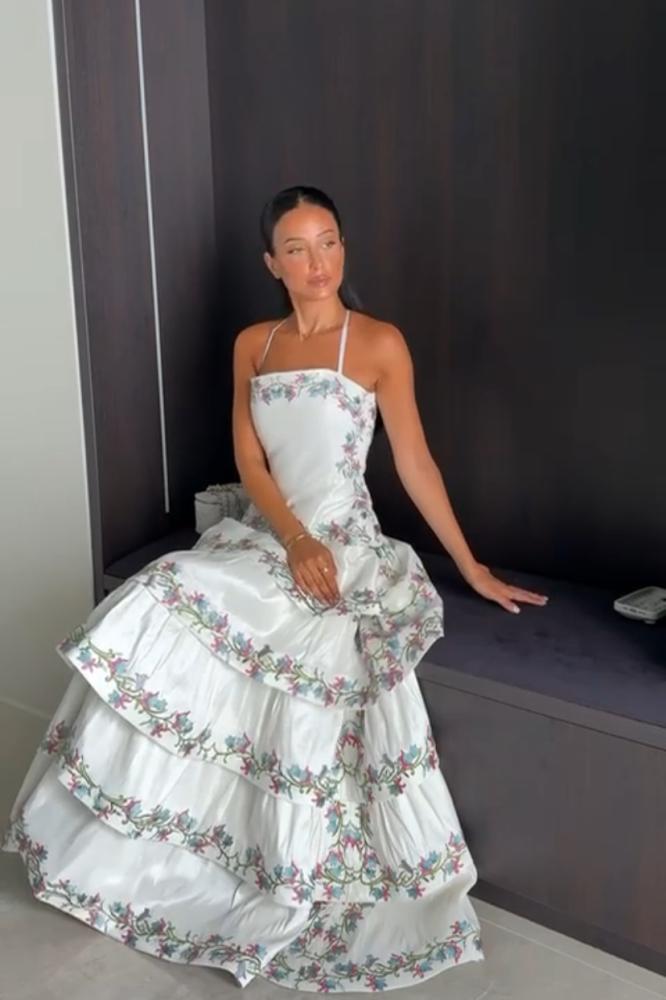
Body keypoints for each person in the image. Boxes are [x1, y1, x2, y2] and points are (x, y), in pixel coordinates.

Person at [2, 185, 548, 993]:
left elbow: (414, 460)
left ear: (343, 248)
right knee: (166, 584)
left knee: (300, 647)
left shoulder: (379, 343)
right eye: (297, 248)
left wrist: (469, 567)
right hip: (271, 537)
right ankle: (138, 850)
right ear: (272, 263)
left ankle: (284, 865)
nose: (317, 262)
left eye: (328, 242)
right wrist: (292, 539)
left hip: (345, 544)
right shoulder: (253, 344)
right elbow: (250, 459)